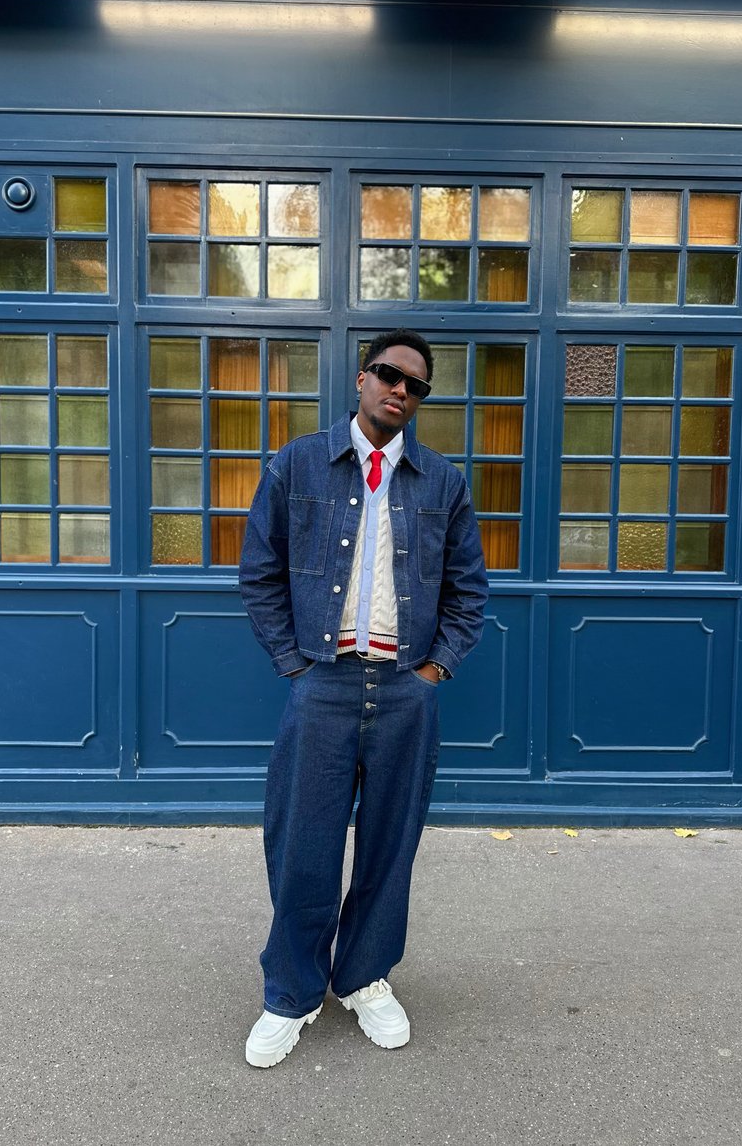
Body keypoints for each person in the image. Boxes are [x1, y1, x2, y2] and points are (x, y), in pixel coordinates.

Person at [239, 328, 488, 1068]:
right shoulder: (299, 464)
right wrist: (295, 665)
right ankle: (290, 990)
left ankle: (365, 976)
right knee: (301, 848)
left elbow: (469, 592)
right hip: (325, 682)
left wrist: (435, 671)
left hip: (406, 689)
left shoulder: (442, 482)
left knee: (390, 845)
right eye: (389, 374)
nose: (400, 391)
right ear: (361, 377)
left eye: (415, 385)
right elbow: (260, 572)